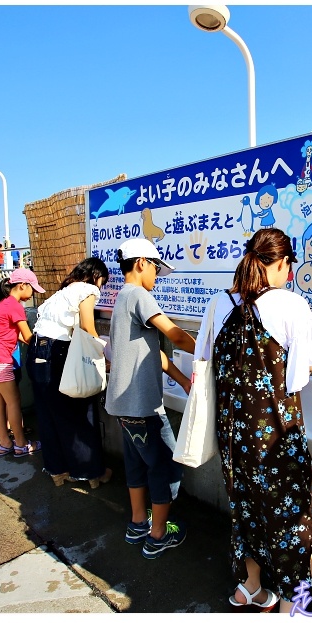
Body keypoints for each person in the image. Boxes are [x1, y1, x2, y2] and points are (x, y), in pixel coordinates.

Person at [193, 227, 312, 613]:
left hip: (232, 434)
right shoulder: (291, 305)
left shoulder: (217, 303)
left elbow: (203, 362)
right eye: (290, 264)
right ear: (284, 263)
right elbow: (300, 377)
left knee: (245, 510)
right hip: (276, 436)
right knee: (291, 520)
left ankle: (249, 589)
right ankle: (293, 604)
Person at [104, 238, 195, 560]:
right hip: (140, 406)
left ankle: (138, 523)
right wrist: (210, 353)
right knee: (166, 467)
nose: (157, 276)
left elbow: (153, 351)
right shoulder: (138, 295)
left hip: (125, 404)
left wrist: (184, 380)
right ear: (142, 263)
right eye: (156, 268)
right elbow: (175, 335)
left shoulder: (122, 298)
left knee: (137, 464)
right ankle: (158, 536)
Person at [28, 257, 114, 489]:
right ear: (96, 276)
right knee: (77, 413)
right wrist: (101, 355)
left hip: (37, 350)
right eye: (102, 282)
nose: (101, 287)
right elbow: (87, 326)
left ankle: (57, 470)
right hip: (58, 352)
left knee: (48, 413)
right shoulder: (87, 289)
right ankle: (90, 472)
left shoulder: (60, 293)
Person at [0, 269, 45, 458]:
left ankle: (5, 443)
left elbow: (16, 335)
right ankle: (21, 444)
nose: (32, 294)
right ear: (22, 285)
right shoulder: (14, 306)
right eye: (32, 289)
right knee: (13, 403)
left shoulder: (1, 305)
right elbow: (29, 336)